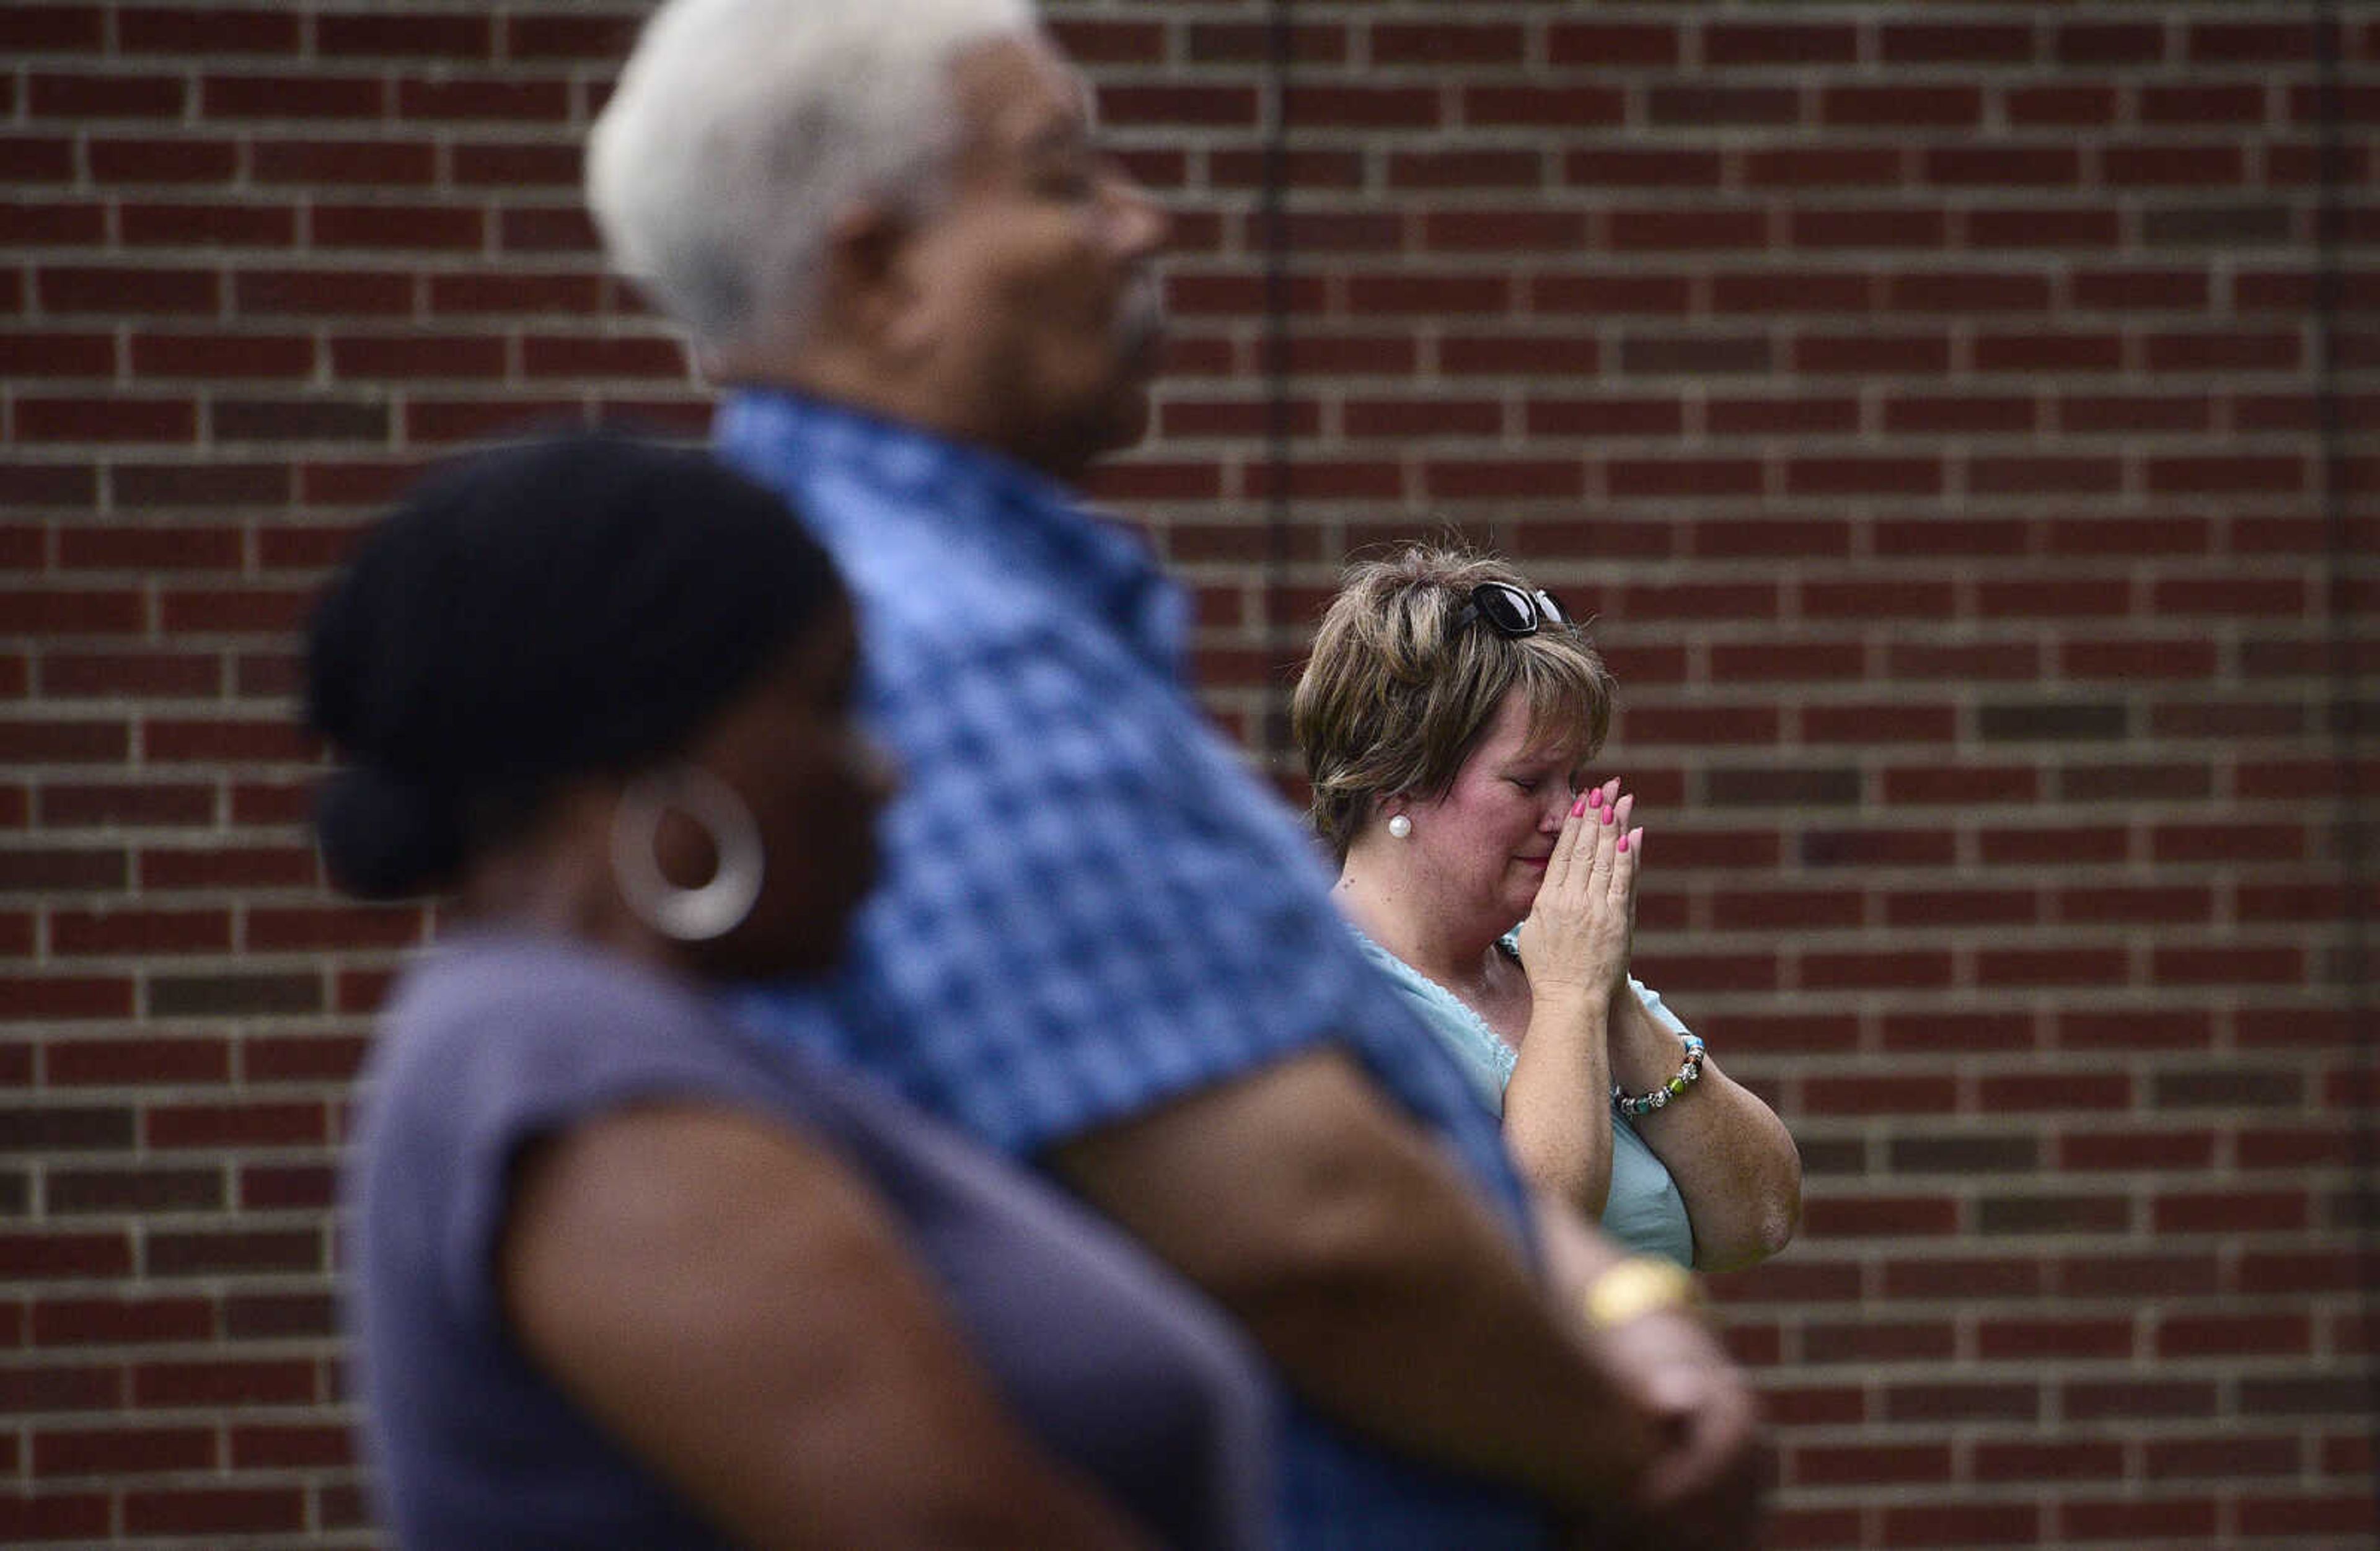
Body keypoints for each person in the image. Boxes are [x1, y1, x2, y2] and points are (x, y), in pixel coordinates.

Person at [587, 3, 1766, 1549]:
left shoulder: (955, 609)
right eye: (1062, 177)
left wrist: (1612, 1281)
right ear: (877, 274)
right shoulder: (941, 650)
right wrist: (1635, 1431)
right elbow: (1311, 1230)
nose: (1147, 218)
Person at [309, 431, 1277, 1551]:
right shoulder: (564, 1059)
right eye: (829, 705)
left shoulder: (627, 1037)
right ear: (654, 751)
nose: (881, 767)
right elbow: (942, 1525)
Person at [1291, 545, 1803, 1272]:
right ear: (1394, 780)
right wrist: (1569, 998)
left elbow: (1762, 1216)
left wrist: (1613, 1001)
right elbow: (1525, 1245)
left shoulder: (1549, 955)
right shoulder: (1326, 992)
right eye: (1529, 783)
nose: (1567, 815)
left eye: (1576, 778)